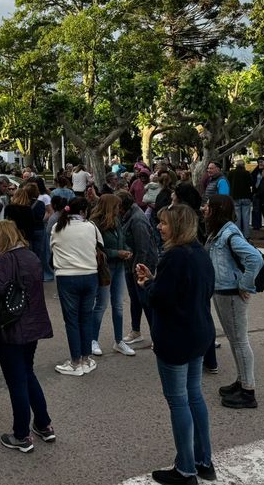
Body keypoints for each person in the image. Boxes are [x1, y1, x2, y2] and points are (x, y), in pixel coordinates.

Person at [136, 205, 215, 484]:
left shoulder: (174, 256)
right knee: (194, 394)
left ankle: (185, 469)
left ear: (178, 226)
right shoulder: (199, 253)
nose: (159, 227)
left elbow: (161, 299)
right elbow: (188, 290)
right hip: (199, 332)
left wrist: (146, 284)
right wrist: (156, 280)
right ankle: (203, 460)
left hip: (176, 337)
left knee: (178, 399)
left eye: (164, 223)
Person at [0, 221, 54, 453]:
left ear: (4, 237)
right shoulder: (31, 256)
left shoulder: (7, 259)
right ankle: (43, 424)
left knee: (17, 381)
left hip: (11, 328)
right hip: (33, 326)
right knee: (28, 374)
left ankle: (21, 435)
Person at [203, 195, 262, 410]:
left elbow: (254, 258)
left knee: (239, 341)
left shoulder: (228, 233)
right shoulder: (218, 231)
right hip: (221, 291)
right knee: (234, 339)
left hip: (230, 294)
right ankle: (241, 381)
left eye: (208, 206)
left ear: (217, 209)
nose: (204, 209)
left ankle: (248, 391)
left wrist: (245, 285)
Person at [49, 198, 101, 376]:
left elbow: (52, 249)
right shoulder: (91, 227)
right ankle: (86, 359)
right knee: (86, 317)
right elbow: (99, 246)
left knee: (71, 320)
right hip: (90, 275)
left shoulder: (57, 227)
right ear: (84, 211)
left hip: (67, 276)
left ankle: (75, 362)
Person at [88, 194, 136, 357]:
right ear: (110, 207)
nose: (119, 209)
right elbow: (96, 249)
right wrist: (118, 252)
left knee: (118, 305)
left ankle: (118, 340)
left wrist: (127, 249)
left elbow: (121, 240)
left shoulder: (116, 220)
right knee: (101, 304)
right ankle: (93, 339)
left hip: (119, 266)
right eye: (117, 206)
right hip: (105, 268)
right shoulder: (95, 223)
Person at [118, 189, 159, 345]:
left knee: (145, 300)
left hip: (142, 264)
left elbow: (143, 248)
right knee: (135, 299)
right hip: (132, 263)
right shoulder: (127, 215)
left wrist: (138, 270)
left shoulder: (137, 219)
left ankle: (156, 335)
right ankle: (136, 330)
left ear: (122, 207)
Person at [227, 159, 253, 239]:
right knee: (246, 217)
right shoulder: (247, 173)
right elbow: (251, 183)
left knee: (237, 217)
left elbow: (228, 183)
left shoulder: (231, 173)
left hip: (235, 196)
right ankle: (246, 235)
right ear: (243, 165)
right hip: (246, 196)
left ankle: (238, 234)